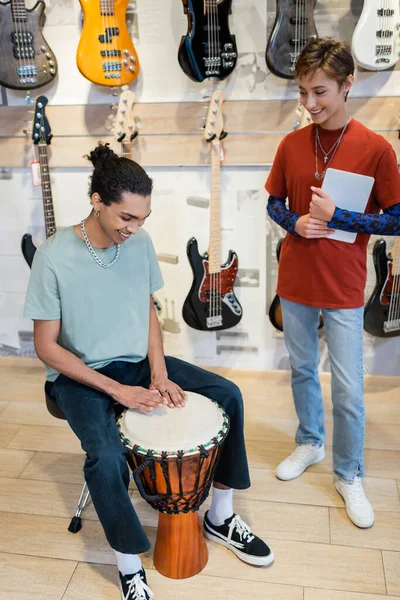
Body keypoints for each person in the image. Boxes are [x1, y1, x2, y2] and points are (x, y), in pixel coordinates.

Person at [24, 143, 273, 600]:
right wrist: (118, 390)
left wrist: (157, 373)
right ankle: (127, 565)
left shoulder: (138, 243)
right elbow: (46, 348)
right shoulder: (54, 256)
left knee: (230, 394)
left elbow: (148, 310)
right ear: (97, 202)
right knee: (106, 454)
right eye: (125, 218)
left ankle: (220, 516)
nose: (134, 229)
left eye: (142, 219)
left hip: (137, 364)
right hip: (79, 377)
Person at [265, 38, 400, 529]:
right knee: (301, 370)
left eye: (319, 92)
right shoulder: (291, 144)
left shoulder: (376, 148)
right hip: (295, 279)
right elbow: (274, 202)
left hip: (343, 285)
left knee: (348, 388)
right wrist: (295, 223)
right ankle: (310, 442)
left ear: (348, 85)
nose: (310, 104)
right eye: (303, 93)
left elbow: (397, 218)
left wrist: (340, 215)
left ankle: (349, 473)